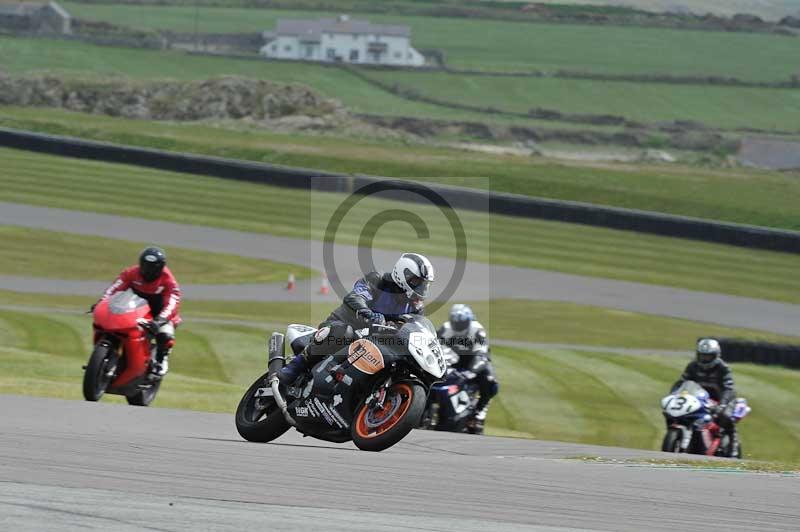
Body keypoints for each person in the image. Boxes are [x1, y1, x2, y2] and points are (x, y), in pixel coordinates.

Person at [278, 252, 435, 384]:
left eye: (425, 284)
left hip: (376, 344)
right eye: (417, 282)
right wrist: (369, 313)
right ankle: (295, 366)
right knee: (343, 333)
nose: (421, 288)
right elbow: (355, 296)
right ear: (403, 274)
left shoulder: (415, 307)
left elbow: (413, 329)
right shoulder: (377, 280)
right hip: (342, 328)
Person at [95, 246, 181, 377]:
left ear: (160, 267)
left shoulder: (168, 281)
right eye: (145, 266)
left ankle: (161, 359)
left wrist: (160, 320)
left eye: (152, 267)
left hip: (159, 313)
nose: (147, 270)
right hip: (133, 307)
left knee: (165, 335)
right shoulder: (131, 272)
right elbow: (114, 288)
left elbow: (172, 303)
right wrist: (102, 302)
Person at [437, 304, 499, 434]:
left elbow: (482, 354)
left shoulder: (477, 330)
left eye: (462, 323)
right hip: (454, 362)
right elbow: (436, 348)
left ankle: (479, 412)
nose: (459, 326)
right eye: (456, 323)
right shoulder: (446, 328)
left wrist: (471, 372)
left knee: (490, 380)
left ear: (469, 321)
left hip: (474, 363)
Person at [671, 337, 738, 454]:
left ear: (716, 355)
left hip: (719, 399)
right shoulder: (692, 366)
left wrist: (722, 405)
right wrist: (673, 395)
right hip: (698, 398)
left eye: (708, 356)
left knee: (726, 417)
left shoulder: (723, 368)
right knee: (676, 414)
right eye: (702, 355)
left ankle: (733, 448)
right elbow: (681, 382)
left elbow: (728, 389)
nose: (704, 359)